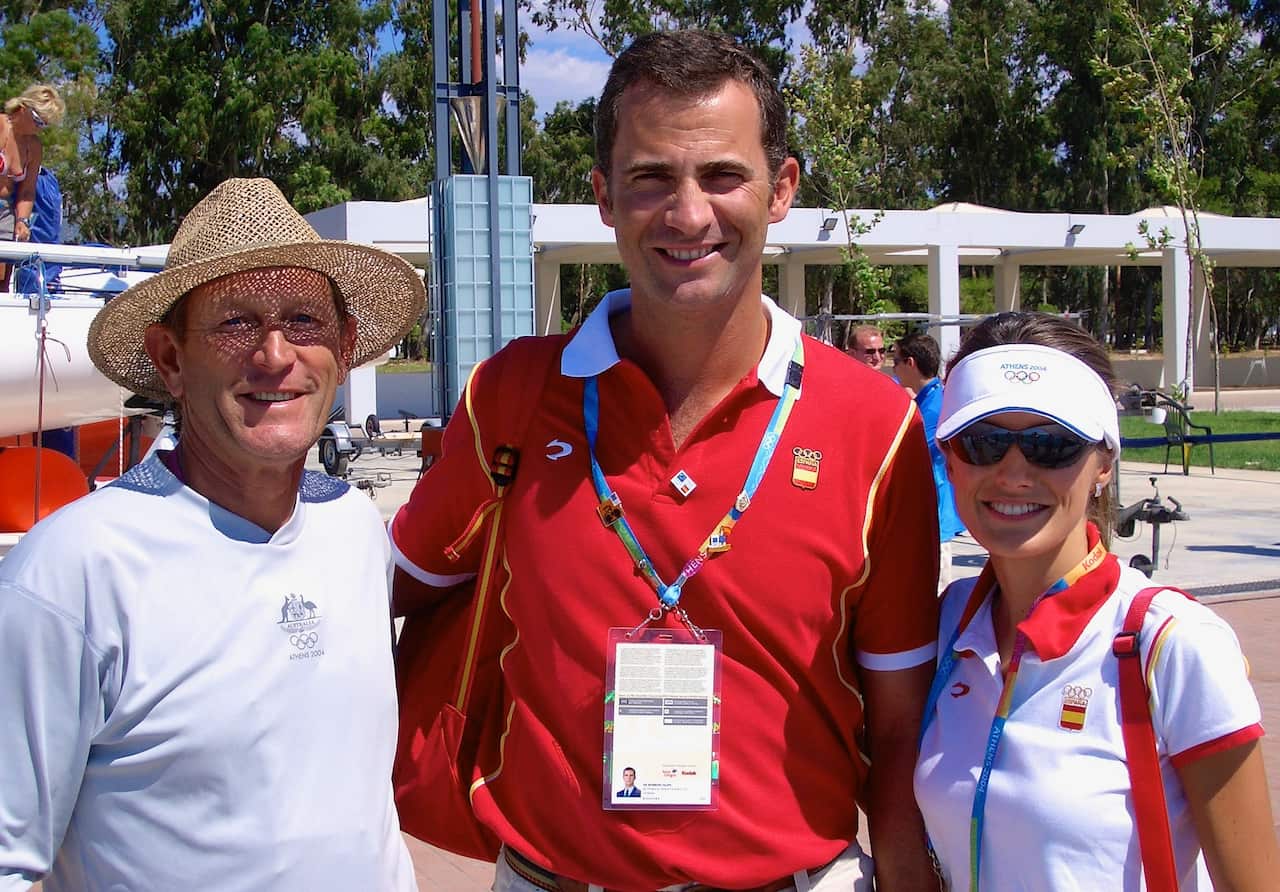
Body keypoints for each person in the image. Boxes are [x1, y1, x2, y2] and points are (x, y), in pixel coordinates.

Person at [392, 29, 940, 891]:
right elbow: (383, 589)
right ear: (605, 196)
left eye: (722, 175)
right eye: (652, 178)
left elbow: (901, 727)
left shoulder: (876, 426)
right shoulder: (512, 395)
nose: (689, 214)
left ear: (782, 188)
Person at [0, 178, 425, 890]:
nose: (275, 354)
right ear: (169, 359)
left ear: (345, 347)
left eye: (305, 320)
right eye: (235, 323)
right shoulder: (72, 572)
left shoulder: (351, 527)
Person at [914, 311, 1279, 891]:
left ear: (1104, 464)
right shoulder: (949, 625)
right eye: (984, 443)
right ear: (950, 459)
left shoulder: (1174, 642)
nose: (1013, 472)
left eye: (1049, 445)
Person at [893, 332, 964, 590]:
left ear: (910, 363)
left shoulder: (934, 408)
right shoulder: (931, 400)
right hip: (929, 514)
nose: (894, 367)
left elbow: (901, 451)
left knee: (934, 598)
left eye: (896, 360)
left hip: (934, 516)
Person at [1, 84, 64, 290]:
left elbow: (27, 192)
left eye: (44, 124)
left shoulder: (34, 147)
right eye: (38, 120)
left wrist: (22, 221)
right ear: (23, 108)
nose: (39, 128)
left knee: (2, 279)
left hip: (6, 214)